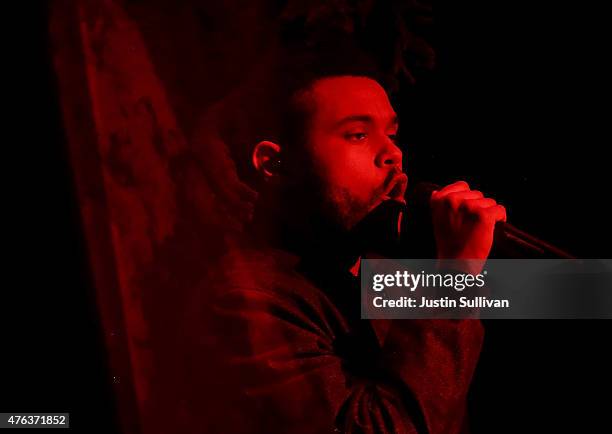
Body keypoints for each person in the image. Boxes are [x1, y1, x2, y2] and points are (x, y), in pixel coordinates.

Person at [178, 46, 506, 434]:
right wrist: (456, 274)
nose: (393, 154)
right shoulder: (244, 301)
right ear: (275, 164)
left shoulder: (381, 274)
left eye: (392, 134)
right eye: (357, 135)